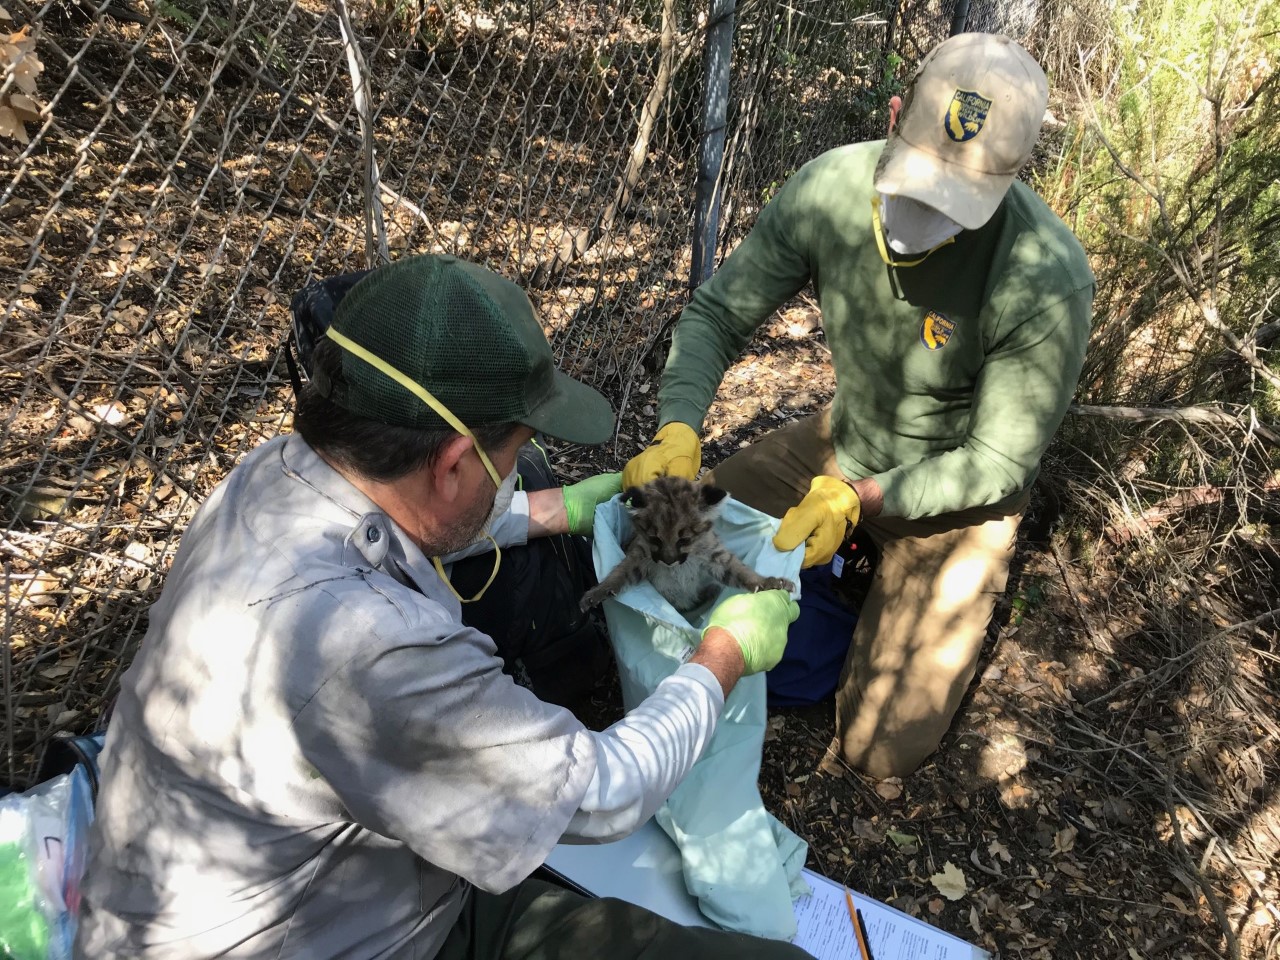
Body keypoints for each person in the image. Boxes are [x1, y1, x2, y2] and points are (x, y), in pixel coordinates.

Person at [74, 254, 808, 959]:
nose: (518, 470)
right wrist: (725, 650)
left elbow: (396, 523)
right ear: (455, 461)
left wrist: (555, 509)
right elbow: (606, 789)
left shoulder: (271, 473)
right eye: (517, 453)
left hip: (312, 891)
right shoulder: (374, 650)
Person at [625, 33, 1094, 780]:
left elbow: (999, 462)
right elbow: (717, 316)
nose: (924, 214)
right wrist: (679, 427)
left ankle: (863, 584)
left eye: (957, 202)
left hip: (954, 502)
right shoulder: (830, 189)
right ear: (894, 112)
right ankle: (849, 578)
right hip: (841, 443)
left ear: (1010, 182)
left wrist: (864, 499)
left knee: (878, 752)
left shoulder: (1043, 275)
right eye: (915, 180)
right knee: (659, 546)